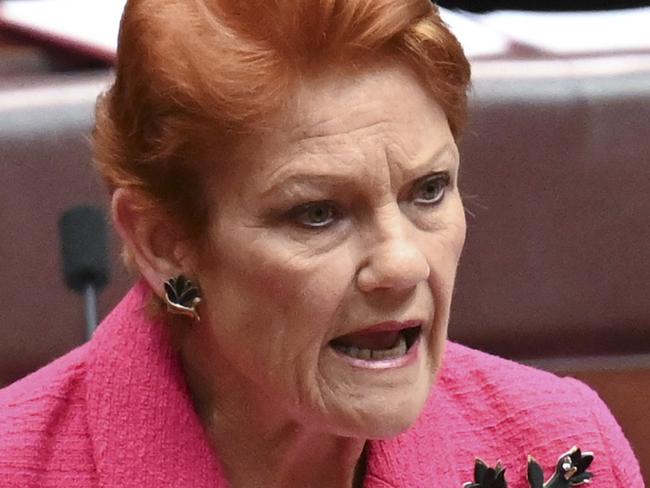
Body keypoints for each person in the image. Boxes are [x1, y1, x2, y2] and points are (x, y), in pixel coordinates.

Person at [0, 1, 643, 486]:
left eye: (427, 191)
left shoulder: (558, 440)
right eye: (316, 213)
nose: (402, 261)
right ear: (163, 241)